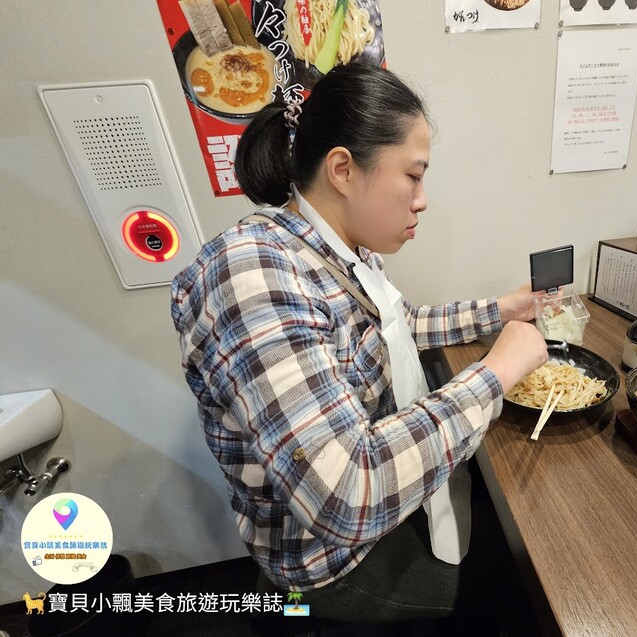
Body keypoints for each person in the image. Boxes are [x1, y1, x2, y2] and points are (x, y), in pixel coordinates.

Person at [170, 63, 547, 624]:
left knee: (502, 527)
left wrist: (502, 312)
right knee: (511, 588)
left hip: (370, 516)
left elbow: (392, 326)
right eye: (414, 176)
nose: (422, 199)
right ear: (343, 169)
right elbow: (346, 493)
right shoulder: (253, 274)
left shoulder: (341, 248)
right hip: (333, 560)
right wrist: (494, 374)